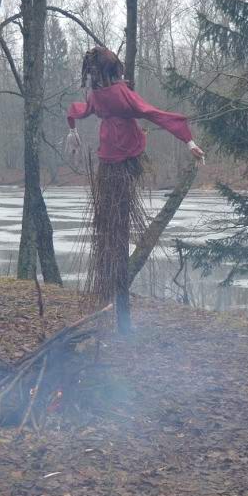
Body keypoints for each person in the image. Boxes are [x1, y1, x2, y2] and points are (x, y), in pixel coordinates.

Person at [65, 47, 204, 332]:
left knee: (109, 227)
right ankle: (121, 314)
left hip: (108, 159)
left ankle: (114, 300)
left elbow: (79, 110)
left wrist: (73, 129)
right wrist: (187, 140)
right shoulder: (121, 93)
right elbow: (152, 113)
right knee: (117, 228)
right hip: (125, 158)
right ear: (113, 70)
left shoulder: (97, 95)